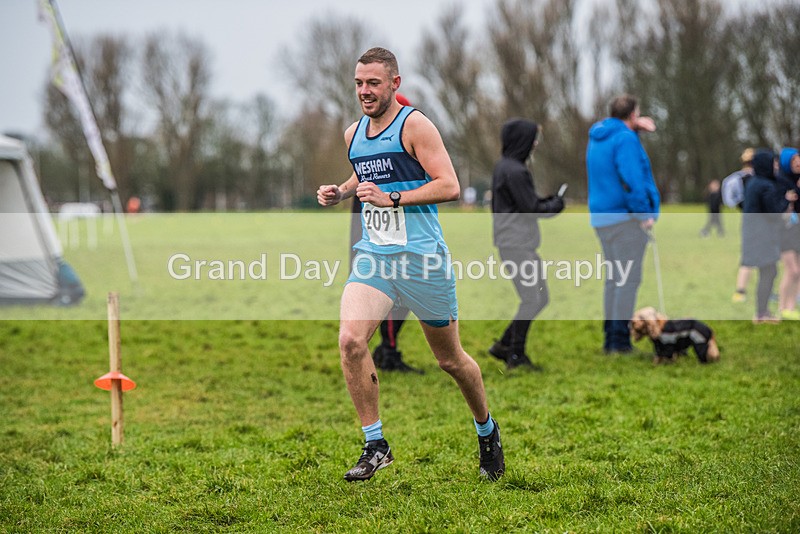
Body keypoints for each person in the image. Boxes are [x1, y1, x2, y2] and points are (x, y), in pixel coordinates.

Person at [317, 47, 504, 482]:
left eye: (374, 83)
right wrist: (341, 191)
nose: (365, 91)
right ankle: (375, 443)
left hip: (422, 262)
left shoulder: (415, 125)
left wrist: (394, 198)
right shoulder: (353, 134)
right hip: (375, 258)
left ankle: (487, 430)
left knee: (451, 361)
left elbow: (450, 185)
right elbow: (366, 174)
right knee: (350, 341)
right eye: (359, 83)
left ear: (394, 84)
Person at [349, 91, 421, 374]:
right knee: (394, 297)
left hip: (408, 243)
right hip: (380, 247)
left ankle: (385, 349)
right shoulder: (370, 161)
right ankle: (387, 351)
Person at [586, 94, 660, 354]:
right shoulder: (625, 139)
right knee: (627, 280)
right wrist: (644, 214)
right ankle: (620, 341)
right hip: (625, 219)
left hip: (602, 218)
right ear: (633, 114)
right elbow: (631, 178)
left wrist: (634, 130)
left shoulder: (598, 137)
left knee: (614, 280)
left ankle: (611, 338)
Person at [488, 119, 564, 370]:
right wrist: (556, 204)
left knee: (539, 296)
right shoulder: (516, 171)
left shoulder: (505, 167)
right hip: (516, 244)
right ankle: (515, 355)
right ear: (523, 141)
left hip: (513, 242)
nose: (536, 143)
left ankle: (505, 345)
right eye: (533, 138)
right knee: (533, 298)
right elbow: (531, 208)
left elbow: (524, 203)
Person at [741, 148, 797, 323]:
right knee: (769, 271)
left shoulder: (753, 182)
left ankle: (762, 312)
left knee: (767, 272)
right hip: (763, 236)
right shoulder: (765, 185)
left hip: (753, 234)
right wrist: (787, 200)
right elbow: (774, 212)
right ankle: (761, 313)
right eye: (773, 163)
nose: (775, 166)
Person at [723, 149, 756, 303]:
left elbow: (729, 201)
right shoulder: (760, 178)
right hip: (762, 221)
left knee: (748, 256)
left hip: (748, 220)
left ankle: (741, 291)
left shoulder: (732, 179)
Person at [777, 147, 800, 320]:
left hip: (796, 231)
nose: (798, 162)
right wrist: (787, 199)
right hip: (784, 232)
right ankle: (781, 306)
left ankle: (791, 308)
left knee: (797, 271)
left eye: (798, 159)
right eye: (793, 160)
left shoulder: (796, 182)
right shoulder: (780, 182)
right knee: (791, 271)